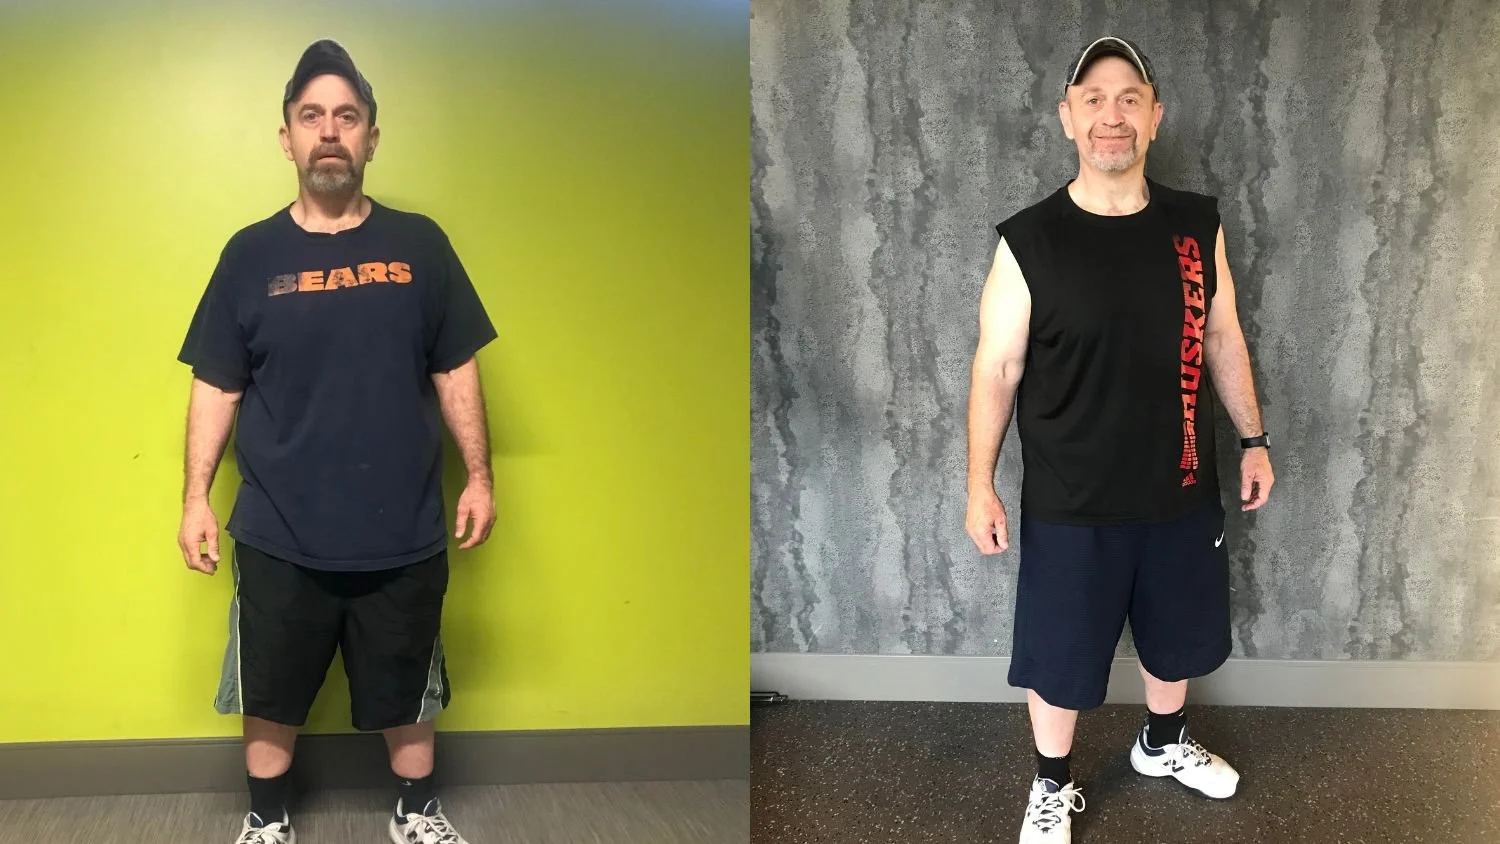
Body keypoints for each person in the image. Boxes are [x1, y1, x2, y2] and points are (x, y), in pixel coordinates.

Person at [176, 38, 497, 844]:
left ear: (371, 138)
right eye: (312, 115)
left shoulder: (421, 246)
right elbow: (217, 381)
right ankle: (266, 821)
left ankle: (415, 816)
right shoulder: (249, 255)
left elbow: (455, 367)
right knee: (272, 687)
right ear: (286, 136)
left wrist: (481, 478)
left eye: (346, 117)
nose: (329, 131)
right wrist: (192, 499)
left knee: (408, 684)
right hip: (280, 526)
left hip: (405, 522)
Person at [964, 36, 1275, 843]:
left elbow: (1224, 338)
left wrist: (1254, 438)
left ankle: (1161, 743)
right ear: (1068, 118)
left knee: (1176, 638)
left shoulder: (1195, 225)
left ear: (1155, 116)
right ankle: (1051, 784)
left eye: (1129, 98)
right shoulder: (1029, 241)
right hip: (1073, 500)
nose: (1113, 116)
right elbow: (996, 368)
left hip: (1179, 485)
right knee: (1062, 656)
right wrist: (979, 484)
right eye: (1094, 99)